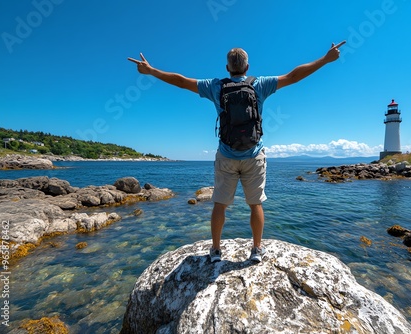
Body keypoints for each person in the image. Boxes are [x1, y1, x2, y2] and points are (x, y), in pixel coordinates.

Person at [128, 41, 345, 263]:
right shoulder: (260, 85)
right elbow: (293, 76)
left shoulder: (215, 86)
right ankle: (257, 250)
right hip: (254, 155)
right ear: (248, 67)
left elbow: (182, 81)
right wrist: (325, 60)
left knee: (220, 204)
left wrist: (152, 71)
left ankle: (215, 251)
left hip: (226, 155)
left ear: (227, 68)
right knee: (255, 204)